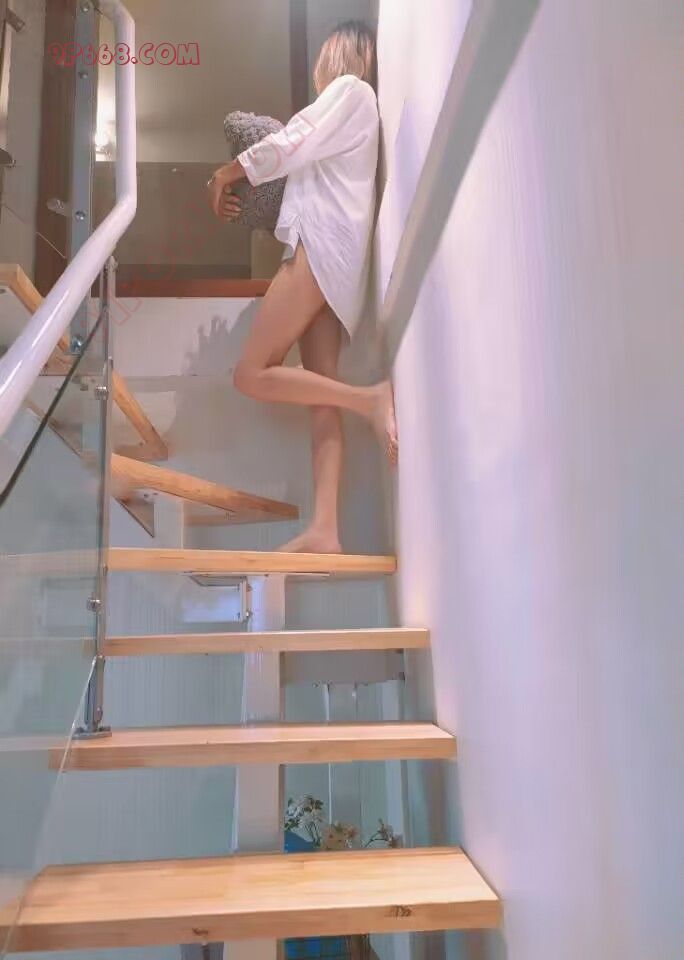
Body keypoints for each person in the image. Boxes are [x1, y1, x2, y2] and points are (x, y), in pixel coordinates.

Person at [208, 20, 397, 555]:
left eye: (321, 57)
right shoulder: (357, 111)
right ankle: (326, 530)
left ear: (339, 54)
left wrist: (227, 174)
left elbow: (291, 141)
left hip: (320, 250)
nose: (316, 69)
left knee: (250, 374)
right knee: (320, 398)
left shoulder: (351, 92)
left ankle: (371, 399)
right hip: (337, 265)